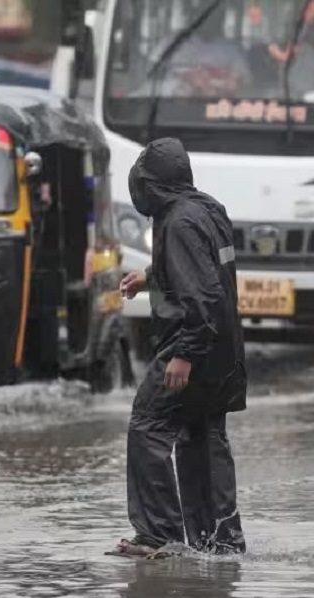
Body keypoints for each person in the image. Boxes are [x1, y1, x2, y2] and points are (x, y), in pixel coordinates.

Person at [114, 137, 247, 558]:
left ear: (151, 185)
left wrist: (184, 354)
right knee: (202, 435)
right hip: (225, 352)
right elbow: (201, 267)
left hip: (197, 344)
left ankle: (159, 536)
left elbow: (204, 293)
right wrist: (151, 276)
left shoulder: (177, 220)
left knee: (149, 425)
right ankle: (218, 541)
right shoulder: (207, 208)